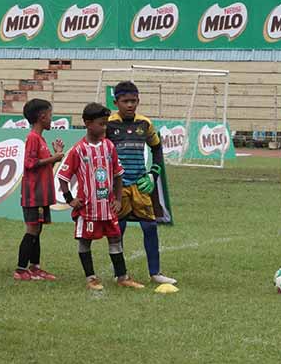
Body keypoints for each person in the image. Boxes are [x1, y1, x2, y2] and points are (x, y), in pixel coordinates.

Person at [58, 103, 143, 291]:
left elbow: (118, 174)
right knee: (85, 241)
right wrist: (69, 199)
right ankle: (91, 278)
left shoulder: (109, 146)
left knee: (115, 239)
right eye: (101, 124)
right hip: (88, 208)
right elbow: (63, 177)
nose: (105, 128)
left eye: (106, 124)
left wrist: (118, 199)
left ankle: (122, 276)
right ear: (88, 123)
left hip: (107, 207)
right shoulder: (78, 149)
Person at [107, 82, 176, 285]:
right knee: (118, 228)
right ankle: (120, 273)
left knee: (150, 226)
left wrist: (153, 174)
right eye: (125, 101)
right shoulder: (109, 124)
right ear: (116, 102)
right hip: (118, 187)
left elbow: (156, 148)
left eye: (133, 101)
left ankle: (155, 273)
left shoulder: (145, 124)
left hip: (140, 184)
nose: (130, 105)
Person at [15, 98, 64, 281]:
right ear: (42, 117)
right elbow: (29, 164)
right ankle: (21, 270)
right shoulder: (32, 138)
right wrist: (54, 158)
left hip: (41, 193)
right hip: (33, 194)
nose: (52, 119)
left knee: (38, 229)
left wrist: (54, 156)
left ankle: (35, 268)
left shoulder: (40, 139)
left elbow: (41, 167)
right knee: (32, 230)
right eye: (50, 115)